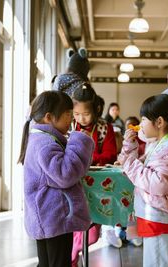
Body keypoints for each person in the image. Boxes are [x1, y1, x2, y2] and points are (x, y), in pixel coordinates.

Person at [118, 94, 168, 267]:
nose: (141, 123)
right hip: (153, 211)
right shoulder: (159, 144)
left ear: (159, 122)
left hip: (159, 213)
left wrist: (129, 162)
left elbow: (158, 184)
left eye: (144, 119)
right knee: (155, 261)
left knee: (159, 262)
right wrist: (130, 145)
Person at [18, 91, 95, 267]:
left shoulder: (40, 138)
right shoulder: (45, 143)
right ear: (49, 117)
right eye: (68, 114)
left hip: (47, 216)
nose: (72, 119)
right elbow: (65, 174)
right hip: (54, 216)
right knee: (59, 263)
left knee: (47, 263)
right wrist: (78, 141)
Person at [71, 83, 119, 265]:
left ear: (96, 109)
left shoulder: (104, 127)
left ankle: (74, 251)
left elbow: (111, 154)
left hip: (97, 185)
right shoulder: (70, 126)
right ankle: (72, 258)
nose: (81, 118)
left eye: (86, 113)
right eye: (76, 114)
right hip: (74, 183)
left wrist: (87, 157)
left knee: (92, 234)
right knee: (74, 227)